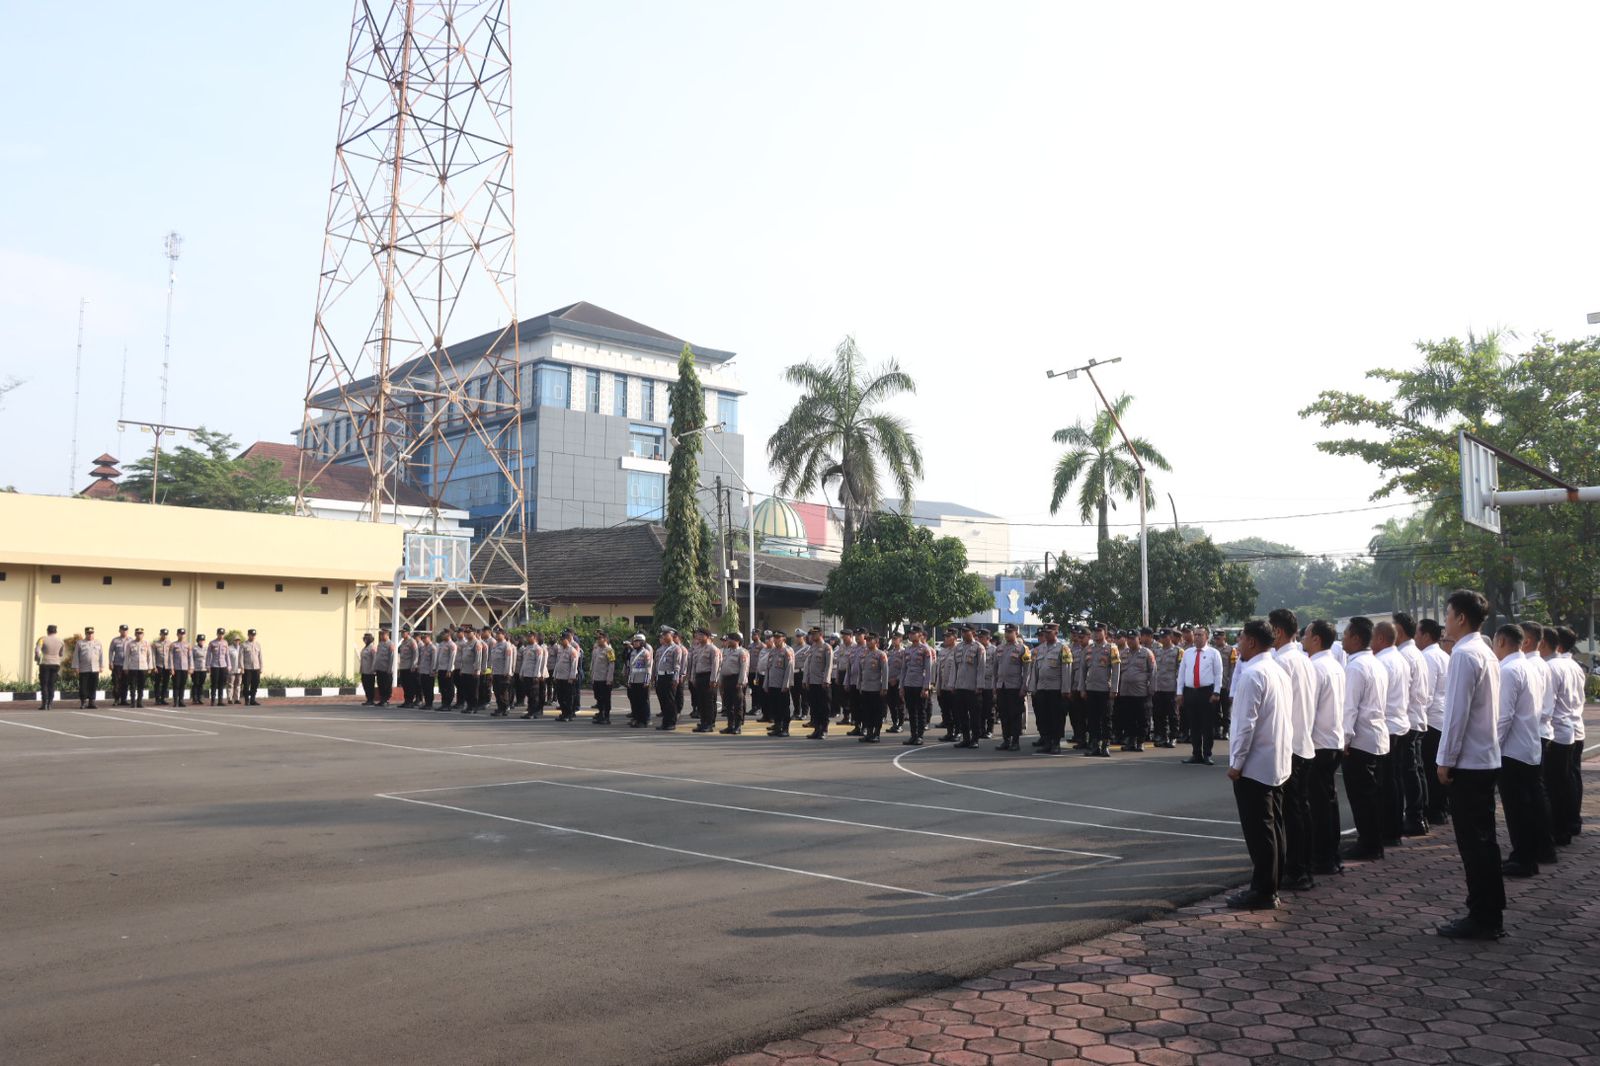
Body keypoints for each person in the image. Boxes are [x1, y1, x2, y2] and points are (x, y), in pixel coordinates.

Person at [1435, 588, 1505, 940]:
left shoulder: (1463, 654)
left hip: (1469, 762)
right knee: (1484, 841)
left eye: (1448, 614)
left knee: (1474, 843)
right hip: (1485, 758)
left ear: (1461, 618)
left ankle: (1482, 916)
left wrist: (1445, 760)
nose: (1445, 621)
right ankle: (1490, 911)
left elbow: (1456, 715)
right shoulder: (1485, 651)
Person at [1225, 619, 1293, 910]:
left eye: (1241, 638)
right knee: (1274, 825)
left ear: (1252, 641)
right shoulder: (1278, 670)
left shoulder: (1252, 674)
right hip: (1275, 760)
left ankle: (1264, 890)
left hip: (1255, 764)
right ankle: (1272, 882)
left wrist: (1236, 762)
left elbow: (1245, 725)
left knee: (1259, 830)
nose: (1238, 643)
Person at [1268, 609, 1318, 892]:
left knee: (1290, 814)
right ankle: (1304, 866)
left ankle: (1297, 869)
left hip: (1290, 746)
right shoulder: (1303, 659)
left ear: (1277, 631)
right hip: (1303, 742)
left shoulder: (1282, 661)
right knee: (1300, 810)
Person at [1491, 624, 1546, 878]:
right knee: (1528, 806)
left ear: (1501, 641)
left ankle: (1523, 858)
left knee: (1517, 809)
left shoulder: (1508, 670)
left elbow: (1503, 717)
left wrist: (1493, 747)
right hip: (1529, 746)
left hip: (1513, 750)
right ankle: (1528, 854)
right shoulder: (1529, 667)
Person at [1341, 616, 1390, 860]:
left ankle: (1369, 843)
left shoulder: (1356, 667)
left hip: (1360, 740)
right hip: (1375, 736)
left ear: (1356, 639)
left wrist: (1345, 740)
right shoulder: (1376, 663)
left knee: (1361, 796)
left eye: (1346, 634)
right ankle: (1373, 841)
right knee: (1372, 795)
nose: (1342, 639)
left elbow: (1350, 707)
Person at [1302, 619, 1347, 875]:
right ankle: (1332, 853)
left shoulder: (1315, 667)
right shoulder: (1336, 665)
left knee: (1318, 805)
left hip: (1318, 743)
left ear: (1316, 639)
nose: (1303, 639)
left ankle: (1322, 857)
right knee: (1329, 801)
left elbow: (1309, 710)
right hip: (1333, 740)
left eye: (1306, 635)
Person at [1546, 626, 1586, 846]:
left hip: (1558, 731)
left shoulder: (1553, 667)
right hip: (1574, 727)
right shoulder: (1574, 666)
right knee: (1571, 778)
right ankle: (1572, 821)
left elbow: (1548, 704)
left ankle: (1561, 826)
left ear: (1557, 644)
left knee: (1558, 783)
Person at [1393, 613, 1432, 835]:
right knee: (1416, 769)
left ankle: (1415, 817)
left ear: (1398, 631)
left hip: (1408, 719)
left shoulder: (1405, 655)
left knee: (1408, 772)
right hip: (1416, 717)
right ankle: (1420, 815)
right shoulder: (1415, 653)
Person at [1417, 618, 1452, 825]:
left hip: (1431, 719)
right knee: (1436, 766)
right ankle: (1441, 808)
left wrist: (1420, 717)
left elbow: (1427, 694)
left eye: (1417, 633)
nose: (1415, 637)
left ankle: (1435, 810)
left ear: (1426, 636)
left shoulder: (1428, 657)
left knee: (1430, 768)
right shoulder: (1444, 656)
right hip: (1442, 717)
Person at [1178, 625, 1225, 765]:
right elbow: (1181, 673)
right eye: (1196, 634)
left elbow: (1218, 674)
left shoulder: (1213, 653)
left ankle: (1207, 754)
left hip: (1207, 692)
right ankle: (1196, 754)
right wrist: (1179, 693)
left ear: (1207, 637)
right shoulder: (1187, 653)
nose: (1197, 637)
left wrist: (1216, 692)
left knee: (1207, 725)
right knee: (1194, 725)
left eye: (1200, 635)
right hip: (1190, 691)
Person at [1030, 623, 1072, 755]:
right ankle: (1047, 742)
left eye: (1049, 632)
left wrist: (1066, 689)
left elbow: (1067, 670)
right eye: (1045, 633)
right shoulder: (1039, 649)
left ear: (1056, 633)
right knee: (1043, 717)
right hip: (1041, 688)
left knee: (1057, 718)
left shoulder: (1063, 648)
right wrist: (1033, 687)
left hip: (1056, 689)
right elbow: (1035, 670)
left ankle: (1056, 743)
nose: (1047, 635)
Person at [992, 624, 1031, 751]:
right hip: (1002, 686)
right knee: (1004, 715)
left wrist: (1024, 687)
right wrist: (994, 686)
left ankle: (1015, 741)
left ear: (1016, 633)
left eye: (1010, 632)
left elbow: (1027, 670)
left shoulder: (1022, 648)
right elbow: (995, 669)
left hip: (1015, 687)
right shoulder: (999, 648)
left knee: (1015, 715)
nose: (1007, 634)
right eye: (1006, 632)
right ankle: (1006, 740)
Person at [1116, 629, 1155, 752]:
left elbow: (1153, 672)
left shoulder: (1147, 653)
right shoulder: (1123, 653)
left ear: (1139, 639)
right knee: (1128, 717)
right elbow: (1118, 672)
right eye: (1129, 639)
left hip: (1141, 692)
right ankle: (1130, 741)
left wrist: (1151, 689)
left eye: (1133, 639)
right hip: (1126, 691)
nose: (1130, 641)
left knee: (1142, 718)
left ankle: (1140, 741)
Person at [950, 624, 986, 749]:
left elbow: (981, 668)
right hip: (960, 687)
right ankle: (966, 739)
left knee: (975, 715)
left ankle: (975, 739)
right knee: (962, 715)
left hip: (972, 687)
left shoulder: (979, 647)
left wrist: (979, 686)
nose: (964, 633)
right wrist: (952, 684)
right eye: (962, 631)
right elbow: (954, 667)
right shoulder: (958, 647)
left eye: (966, 631)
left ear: (973, 633)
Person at [898, 626, 936, 747]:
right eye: (910, 633)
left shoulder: (925, 649)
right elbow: (903, 669)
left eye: (913, 633)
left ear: (920, 634)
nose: (911, 635)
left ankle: (919, 736)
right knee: (911, 711)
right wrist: (901, 686)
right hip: (908, 684)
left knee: (920, 711)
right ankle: (913, 735)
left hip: (920, 684)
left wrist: (926, 687)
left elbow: (928, 670)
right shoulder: (907, 650)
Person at [856, 632, 890, 742]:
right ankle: (869, 733)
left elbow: (885, 672)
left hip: (876, 688)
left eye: (870, 640)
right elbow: (860, 672)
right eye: (867, 640)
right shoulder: (863, 654)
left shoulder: (881, 654)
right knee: (867, 712)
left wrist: (884, 687)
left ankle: (876, 734)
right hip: (865, 688)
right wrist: (859, 685)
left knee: (877, 712)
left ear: (876, 641)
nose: (868, 642)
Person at [800, 627, 833, 739]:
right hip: (812, 682)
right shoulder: (812, 647)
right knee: (814, 707)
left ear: (821, 634)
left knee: (824, 708)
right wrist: (805, 680)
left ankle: (824, 730)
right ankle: (817, 729)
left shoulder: (826, 647)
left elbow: (829, 665)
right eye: (811, 634)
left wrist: (826, 680)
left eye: (815, 634)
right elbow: (807, 665)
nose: (812, 636)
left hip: (822, 683)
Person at [1152, 628, 1182, 748]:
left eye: (1165, 637)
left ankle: (1173, 737)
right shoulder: (1156, 651)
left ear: (1170, 637)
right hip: (1158, 687)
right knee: (1159, 714)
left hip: (1171, 687)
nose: (1162, 639)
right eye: (1161, 637)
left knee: (1172, 714)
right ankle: (1162, 736)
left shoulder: (1178, 651)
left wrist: (1179, 689)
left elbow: (1180, 670)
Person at [690, 628, 722, 733]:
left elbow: (715, 666)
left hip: (708, 677)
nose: (698, 637)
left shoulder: (713, 649)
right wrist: (693, 677)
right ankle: (703, 722)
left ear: (707, 636)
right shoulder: (697, 648)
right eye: (697, 635)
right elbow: (694, 664)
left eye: (700, 635)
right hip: (699, 676)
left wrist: (713, 680)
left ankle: (709, 724)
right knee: (701, 701)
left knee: (708, 702)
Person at [653, 627, 685, 731]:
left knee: (670, 701)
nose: (663, 636)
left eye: (666, 634)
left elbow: (677, 665)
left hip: (670, 676)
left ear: (672, 636)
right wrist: (655, 676)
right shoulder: (660, 649)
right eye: (663, 635)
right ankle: (665, 722)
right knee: (663, 701)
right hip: (660, 676)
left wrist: (676, 678)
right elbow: (656, 664)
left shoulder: (676, 649)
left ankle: (671, 722)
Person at [765, 630, 795, 734]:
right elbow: (768, 668)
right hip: (772, 684)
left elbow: (789, 669)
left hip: (782, 685)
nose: (776, 640)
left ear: (783, 639)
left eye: (778, 638)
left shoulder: (787, 651)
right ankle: (777, 727)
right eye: (775, 638)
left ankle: (785, 729)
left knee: (784, 708)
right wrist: (766, 683)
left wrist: (786, 684)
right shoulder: (772, 651)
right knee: (775, 707)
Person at [717, 633, 747, 734]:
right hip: (726, 679)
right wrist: (721, 680)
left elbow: (743, 668)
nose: (728, 641)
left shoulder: (741, 652)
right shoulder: (726, 651)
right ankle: (730, 725)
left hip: (736, 680)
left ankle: (738, 726)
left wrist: (740, 682)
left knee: (737, 704)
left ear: (736, 641)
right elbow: (722, 667)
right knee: (728, 704)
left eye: (730, 639)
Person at [934, 629, 959, 742]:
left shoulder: (959, 650)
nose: (946, 638)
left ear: (955, 637)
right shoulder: (943, 651)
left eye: (948, 636)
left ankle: (957, 732)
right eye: (945, 636)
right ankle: (949, 732)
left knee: (956, 711)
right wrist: (938, 686)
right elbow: (939, 670)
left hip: (954, 687)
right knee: (946, 711)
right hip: (943, 686)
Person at [34, 624, 65, 710]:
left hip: (45, 663)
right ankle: (50, 703)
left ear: (47, 631)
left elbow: (37, 651)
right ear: (56, 631)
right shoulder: (61, 641)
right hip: (56, 664)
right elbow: (61, 654)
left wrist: (38, 659)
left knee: (44, 684)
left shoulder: (42, 639)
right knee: (52, 684)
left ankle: (44, 703)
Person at [625, 634, 653, 727]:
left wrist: (647, 681)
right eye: (634, 641)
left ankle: (644, 720)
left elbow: (648, 668)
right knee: (635, 701)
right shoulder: (633, 653)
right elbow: (631, 668)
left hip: (642, 681)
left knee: (643, 702)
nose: (635, 643)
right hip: (634, 680)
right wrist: (629, 680)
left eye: (637, 641)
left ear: (642, 642)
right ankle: (637, 719)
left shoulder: (646, 653)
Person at [73, 626, 104, 709]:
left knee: (93, 685)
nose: (90, 635)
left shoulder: (98, 643)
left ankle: (92, 702)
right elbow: (76, 656)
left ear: (93, 633)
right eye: (88, 633)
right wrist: (76, 667)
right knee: (83, 686)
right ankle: (83, 702)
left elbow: (101, 655)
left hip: (95, 668)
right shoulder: (80, 643)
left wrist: (101, 666)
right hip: (84, 668)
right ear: (85, 634)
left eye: (91, 633)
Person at [591, 631, 616, 725]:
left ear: (605, 639)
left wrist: (609, 679)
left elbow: (611, 665)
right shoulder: (596, 650)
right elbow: (594, 664)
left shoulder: (609, 650)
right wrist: (592, 676)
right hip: (596, 678)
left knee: (605, 699)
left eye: (599, 638)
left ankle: (606, 717)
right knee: (599, 698)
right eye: (597, 639)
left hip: (605, 679)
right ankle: (601, 714)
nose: (598, 640)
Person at [126, 627, 154, 708]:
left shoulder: (146, 643)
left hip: (143, 667)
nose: (139, 635)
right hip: (133, 667)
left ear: (143, 634)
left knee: (141, 686)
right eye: (138, 633)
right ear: (135, 634)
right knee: (133, 686)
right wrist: (126, 667)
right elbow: (127, 656)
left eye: (141, 633)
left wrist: (150, 667)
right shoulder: (130, 644)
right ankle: (132, 702)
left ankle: (139, 702)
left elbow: (149, 656)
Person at [885, 631, 906, 733]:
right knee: (891, 704)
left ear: (900, 639)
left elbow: (904, 668)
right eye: (892, 639)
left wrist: (897, 679)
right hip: (889, 682)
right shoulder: (890, 653)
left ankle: (900, 724)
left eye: (895, 639)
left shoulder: (904, 652)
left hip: (898, 682)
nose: (893, 641)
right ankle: (894, 723)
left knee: (899, 704)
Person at [205, 628, 230, 707]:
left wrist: (229, 665)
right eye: (219, 634)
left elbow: (227, 655)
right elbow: (208, 655)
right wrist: (207, 665)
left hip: (223, 665)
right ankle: (213, 700)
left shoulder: (225, 643)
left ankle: (220, 701)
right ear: (217, 634)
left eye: (222, 634)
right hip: (214, 665)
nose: (221, 635)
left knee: (221, 684)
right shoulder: (212, 643)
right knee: (214, 683)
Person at [434, 628, 458, 712]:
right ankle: (443, 703)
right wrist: (436, 668)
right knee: (442, 688)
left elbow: (452, 658)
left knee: (448, 688)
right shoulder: (441, 644)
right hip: (441, 669)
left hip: (447, 670)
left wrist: (449, 670)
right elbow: (438, 657)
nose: (442, 636)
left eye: (444, 634)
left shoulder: (452, 645)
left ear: (448, 634)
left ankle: (448, 704)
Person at [240, 629, 264, 706]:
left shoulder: (258, 644)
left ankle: (252, 699)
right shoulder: (244, 645)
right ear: (248, 635)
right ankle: (247, 700)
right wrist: (242, 668)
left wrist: (261, 667)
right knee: (246, 685)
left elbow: (260, 657)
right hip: (247, 668)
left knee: (255, 684)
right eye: (251, 635)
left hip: (256, 668)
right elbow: (241, 657)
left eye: (254, 635)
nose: (253, 636)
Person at [372, 628, 395, 707]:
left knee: (386, 685)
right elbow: (377, 656)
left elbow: (391, 657)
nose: (381, 636)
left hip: (386, 669)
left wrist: (389, 669)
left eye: (383, 634)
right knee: (380, 684)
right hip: (379, 668)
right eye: (381, 634)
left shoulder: (391, 644)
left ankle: (386, 699)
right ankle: (382, 699)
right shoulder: (380, 644)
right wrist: (375, 667)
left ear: (387, 635)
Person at [169, 627, 191, 708]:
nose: (182, 635)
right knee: (176, 685)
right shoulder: (173, 645)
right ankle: (175, 701)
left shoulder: (188, 645)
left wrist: (191, 667)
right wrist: (171, 668)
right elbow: (170, 657)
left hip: (185, 668)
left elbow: (190, 657)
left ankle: (181, 701)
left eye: (183, 634)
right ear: (177, 635)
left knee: (183, 685)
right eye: (180, 634)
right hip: (176, 668)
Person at [109, 624, 131, 706]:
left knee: (125, 683)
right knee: (116, 683)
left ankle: (123, 700)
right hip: (117, 664)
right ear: (119, 631)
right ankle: (116, 699)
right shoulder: (115, 640)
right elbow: (111, 651)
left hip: (127, 665)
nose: (124, 631)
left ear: (127, 631)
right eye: (122, 630)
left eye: (125, 630)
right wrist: (110, 662)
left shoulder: (131, 640)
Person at [415, 631, 436, 709]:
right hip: (423, 671)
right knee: (424, 688)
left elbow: (433, 661)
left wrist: (432, 670)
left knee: (429, 688)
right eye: (423, 638)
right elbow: (421, 659)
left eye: (425, 638)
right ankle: (426, 703)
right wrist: (419, 667)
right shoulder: (423, 648)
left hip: (429, 672)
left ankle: (429, 704)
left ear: (429, 638)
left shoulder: (433, 648)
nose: (423, 640)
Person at [151, 627, 172, 706]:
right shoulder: (155, 644)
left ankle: (163, 698)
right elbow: (153, 655)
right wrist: (154, 666)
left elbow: (171, 656)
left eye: (166, 634)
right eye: (163, 634)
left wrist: (171, 667)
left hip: (167, 666)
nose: (165, 636)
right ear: (160, 634)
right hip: (158, 665)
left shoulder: (170, 644)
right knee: (157, 683)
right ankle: (157, 699)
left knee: (165, 683)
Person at [358, 633, 378, 705]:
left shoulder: (372, 648)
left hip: (370, 671)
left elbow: (375, 659)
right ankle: (368, 699)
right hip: (364, 670)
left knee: (370, 686)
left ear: (369, 639)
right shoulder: (365, 648)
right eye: (364, 638)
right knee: (365, 685)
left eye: (366, 639)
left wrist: (373, 669)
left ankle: (371, 700)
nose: (364, 640)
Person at [190, 632, 208, 706]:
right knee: (196, 683)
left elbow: (208, 658)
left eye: (203, 640)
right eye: (200, 640)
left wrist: (208, 667)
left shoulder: (206, 648)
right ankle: (195, 698)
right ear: (197, 641)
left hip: (203, 669)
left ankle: (200, 698)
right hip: (196, 669)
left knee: (201, 684)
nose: (202, 641)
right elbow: (191, 658)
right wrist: (191, 667)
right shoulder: (194, 648)